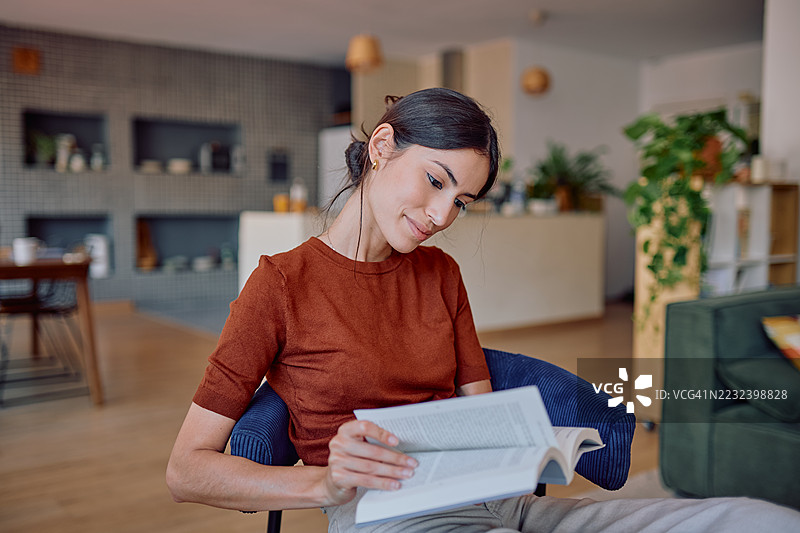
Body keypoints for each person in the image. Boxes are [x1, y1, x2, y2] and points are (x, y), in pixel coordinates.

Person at [167, 88, 800, 533]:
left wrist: (531, 446)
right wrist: (324, 484)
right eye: (436, 181)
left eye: (462, 201)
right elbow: (186, 471)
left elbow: (477, 411)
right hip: (387, 516)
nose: (443, 217)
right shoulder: (282, 283)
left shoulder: (440, 274)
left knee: (758, 520)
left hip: (499, 504)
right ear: (382, 147)